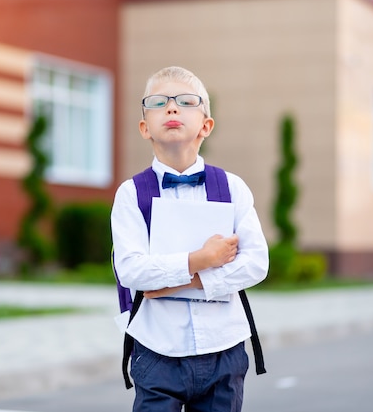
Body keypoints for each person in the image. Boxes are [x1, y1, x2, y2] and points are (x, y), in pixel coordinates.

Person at [111, 66, 269, 412]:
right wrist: (202, 259)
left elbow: (256, 263)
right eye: (158, 102)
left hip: (223, 348)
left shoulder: (232, 188)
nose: (171, 108)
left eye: (185, 101)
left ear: (206, 125)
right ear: (144, 128)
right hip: (157, 350)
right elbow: (131, 271)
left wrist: (183, 282)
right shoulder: (130, 194)